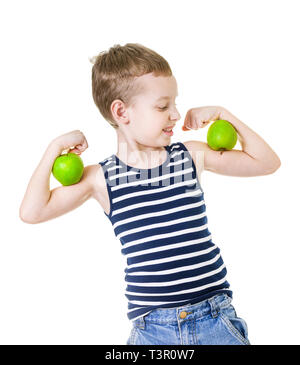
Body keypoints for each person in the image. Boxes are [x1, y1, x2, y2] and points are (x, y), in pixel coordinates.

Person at [19, 43, 281, 345]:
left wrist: (225, 115)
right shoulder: (101, 178)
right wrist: (53, 149)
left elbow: (266, 162)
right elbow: (32, 211)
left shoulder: (190, 156)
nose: (176, 114)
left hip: (214, 320)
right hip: (153, 331)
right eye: (162, 106)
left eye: (175, 103)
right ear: (121, 111)